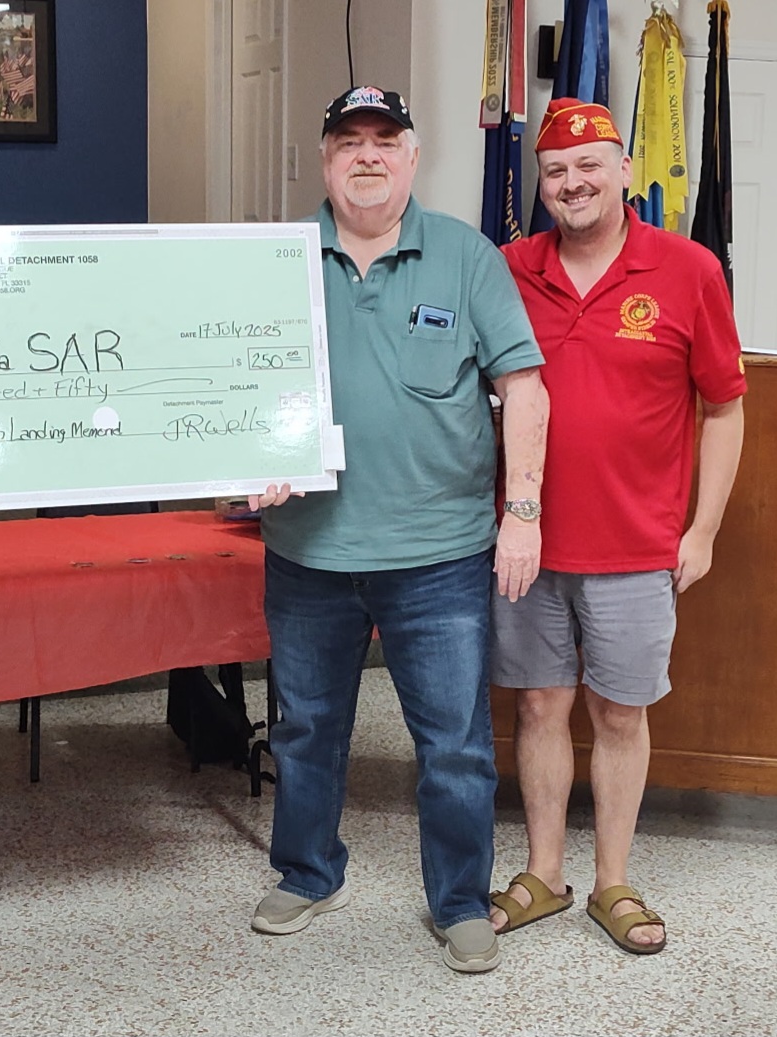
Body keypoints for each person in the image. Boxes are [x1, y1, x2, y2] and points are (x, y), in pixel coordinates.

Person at [248, 86, 549, 973]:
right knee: (304, 727)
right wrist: (240, 460)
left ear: (412, 158)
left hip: (441, 556)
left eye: (386, 140)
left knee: (453, 741)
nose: (367, 156)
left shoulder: (465, 256)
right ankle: (307, 871)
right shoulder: (273, 258)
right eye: (349, 141)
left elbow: (524, 387)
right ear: (324, 159)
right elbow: (225, 389)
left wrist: (520, 512)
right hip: (308, 551)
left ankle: (459, 899)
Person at [489, 99, 746, 955]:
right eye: (554, 171)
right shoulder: (509, 269)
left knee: (620, 713)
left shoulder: (687, 269)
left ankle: (612, 882)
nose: (571, 182)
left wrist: (701, 529)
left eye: (589, 165)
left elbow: (723, 407)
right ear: (541, 184)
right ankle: (543, 872)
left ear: (625, 171)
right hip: (525, 542)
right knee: (536, 706)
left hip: (637, 546)